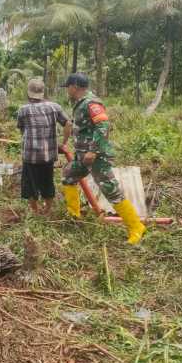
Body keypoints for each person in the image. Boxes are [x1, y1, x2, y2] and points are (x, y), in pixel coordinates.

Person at [60, 73, 146, 245]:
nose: (67, 90)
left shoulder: (91, 103)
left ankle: (136, 226)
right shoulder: (79, 103)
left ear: (75, 86)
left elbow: (103, 125)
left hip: (95, 157)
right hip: (83, 157)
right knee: (68, 175)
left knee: (110, 190)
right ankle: (74, 216)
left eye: (68, 87)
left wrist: (93, 150)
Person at [17, 79, 72, 215]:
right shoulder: (54, 107)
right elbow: (68, 124)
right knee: (47, 182)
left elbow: (22, 129)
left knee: (30, 184)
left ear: (29, 93)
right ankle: (47, 210)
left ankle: (35, 211)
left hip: (30, 156)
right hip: (48, 156)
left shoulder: (23, 110)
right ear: (43, 92)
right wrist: (64, 142)